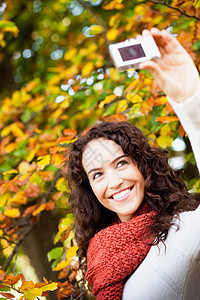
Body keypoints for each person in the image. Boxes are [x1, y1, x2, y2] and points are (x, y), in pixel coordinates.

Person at [67, 28, 200, 300]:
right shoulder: (101, 252)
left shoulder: (186, 227)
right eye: (97, 174)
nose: (114, 182)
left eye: (121, 163)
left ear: (143, 166)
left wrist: (190, 100)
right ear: (90, 189)